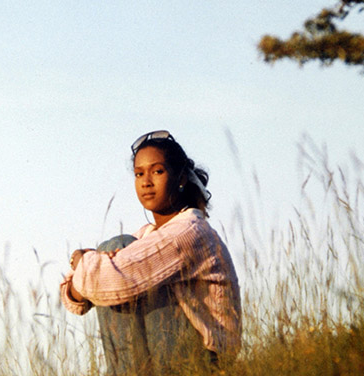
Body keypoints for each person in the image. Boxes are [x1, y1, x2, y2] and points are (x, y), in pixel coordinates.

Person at [60, 130, 242, 375]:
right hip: (164, 355)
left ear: (180, 178)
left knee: (118, 250)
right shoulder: (148, 236)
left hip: (203, 362)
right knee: (118, 250)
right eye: (139, 174)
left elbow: (110, 280)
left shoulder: (190, 232)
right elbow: (76, 296)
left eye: (157, 171)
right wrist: (94, 270)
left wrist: (83, 261)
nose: (146, 182)